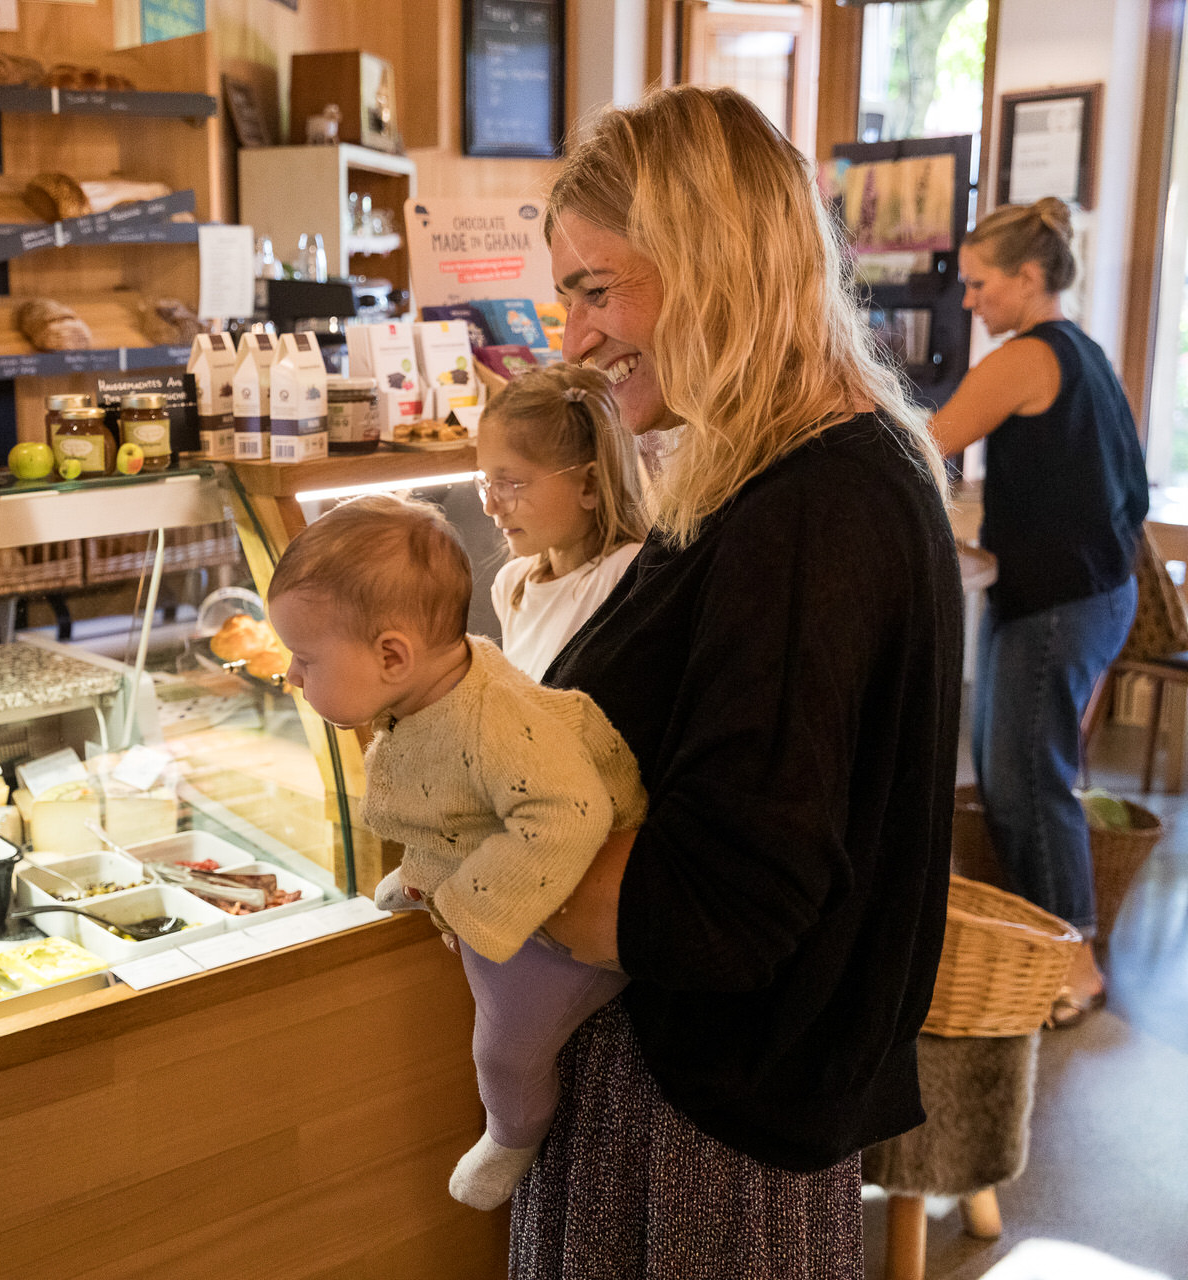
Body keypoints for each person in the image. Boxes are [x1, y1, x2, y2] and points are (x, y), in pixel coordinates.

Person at [516, 86, 962, 1277]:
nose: (575, 339)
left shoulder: (811, 512)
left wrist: (487, 853)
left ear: (712, 262)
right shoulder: (796, 471)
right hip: (714, 1113)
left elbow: (718, 911)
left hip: (699, 1133)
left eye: (596, 290)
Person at [264, 494, 646, 1211]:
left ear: (392, 655)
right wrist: (430, 871)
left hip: (566, 917)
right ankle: (425, 881)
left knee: (505, 1050)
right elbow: (454, 810)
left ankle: (511, 1134)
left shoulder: (490, 721)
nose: (291, 674)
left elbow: (569, 815)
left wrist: (470, 908)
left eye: (306, 658)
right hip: (513, 865)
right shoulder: (432, 691)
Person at [931, 198, 1147, 1027]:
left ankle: (1075, 965)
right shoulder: (1082, 349)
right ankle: (1044, 943)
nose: (969, 301)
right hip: (1090, 591)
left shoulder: (1026, 357)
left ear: (1028, 277)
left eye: (980, 284)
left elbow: (926, 442)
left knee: (1027, 781)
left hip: (1059, 604)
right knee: (1010, 773)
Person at [478, 364, 647, 681]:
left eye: (510, 484)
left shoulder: (628, 575)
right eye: (486, 482)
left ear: (590, 484)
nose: (490, 506)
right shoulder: (511, 585)